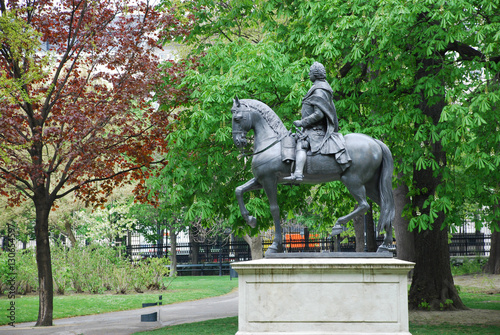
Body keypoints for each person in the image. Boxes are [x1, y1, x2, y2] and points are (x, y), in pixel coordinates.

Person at [284, 62, 351, 182]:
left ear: (315, 74)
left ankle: (298, 174)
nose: (308, 74)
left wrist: (302, 122)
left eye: (310, 72)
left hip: (316, 130)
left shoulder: (320, 89)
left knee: (301, 144)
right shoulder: (319, 87)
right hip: (311, 128)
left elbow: (319, 114)